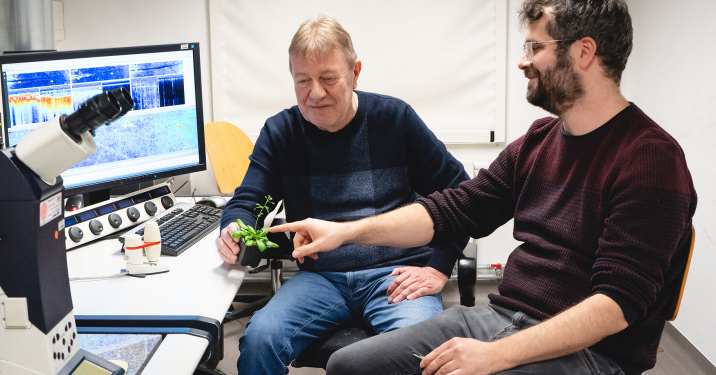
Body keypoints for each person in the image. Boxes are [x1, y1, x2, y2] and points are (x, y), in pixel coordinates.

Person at [271, 1, 697, 374]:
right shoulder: (539, 140)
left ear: (583, 52)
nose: (523, 60)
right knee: (350, 365)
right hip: (504, 318)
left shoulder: (650, 159)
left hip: (591, 354)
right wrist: (346, 232)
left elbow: (615, 307)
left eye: (535, 47)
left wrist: (495, 355)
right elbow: (453, 210)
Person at [216, 15, 470, 374]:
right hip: (321, 278)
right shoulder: (281, 131)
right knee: (260, 339)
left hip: (395, 274)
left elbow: (463, 196)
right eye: (302, 81)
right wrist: (236, 228)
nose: (315, 93)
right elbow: (247, 202)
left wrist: (438, 268)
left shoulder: (394, 119)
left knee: (420, 354)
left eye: (328, 79)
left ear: (355, 72)